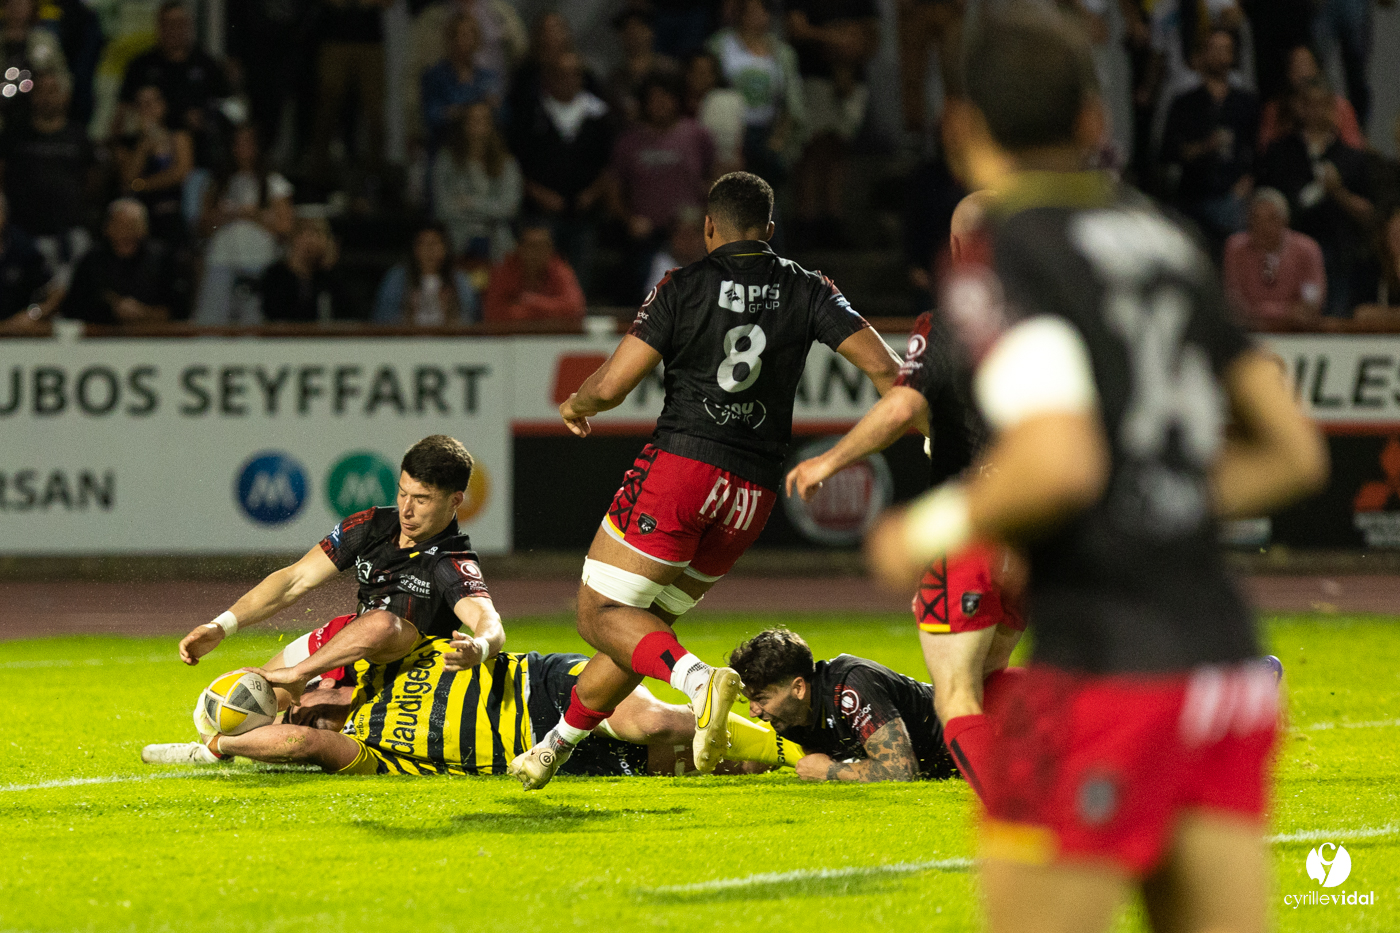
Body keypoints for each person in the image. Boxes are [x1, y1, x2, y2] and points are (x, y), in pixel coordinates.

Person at [865, 10, 1327, 933]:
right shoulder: (1162, 240)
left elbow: (1058, 460)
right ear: (1090, 120)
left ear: (960, 131)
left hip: (1102, 678)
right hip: (1221, 672)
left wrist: (930, 526)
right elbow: (1292, 450)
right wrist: (1156, 500)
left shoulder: (1006, 256)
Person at [507, 172, 902, 791]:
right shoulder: (807, 287)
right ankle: (555, 747)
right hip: (752, 496)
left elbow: (614, 384)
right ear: (770, 230)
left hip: (685, 471)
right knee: (643, 629)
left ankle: (698, 682)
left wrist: (578, 405)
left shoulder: (681, 286)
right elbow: (886, 370)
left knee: (599, 614)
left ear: (709, 228)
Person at [788, 189, 1022, 799]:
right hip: (1036, 524)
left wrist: (832, 459)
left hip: (971, 520)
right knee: (993, 676)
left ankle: (1014, 811)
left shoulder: (952, 319)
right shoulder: (1059, 313)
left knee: (955, 695)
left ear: (958, 247)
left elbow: (905, 403)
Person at [146, 613, 803, 776]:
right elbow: (298, 740)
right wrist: (225, 744)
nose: (310, 709)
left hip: (539, 682)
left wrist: (285, 676)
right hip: (536, 751)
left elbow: (378, 623)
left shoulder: (381, 661)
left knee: (652, 722)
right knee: (701, 764)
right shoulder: (369, 751)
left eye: (310, 695)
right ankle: (804, 744)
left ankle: (722, 701)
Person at [175, 436, 505, 712]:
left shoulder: (450, 559)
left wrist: (479, 647)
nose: (406, 509)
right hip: (343, 648)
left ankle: (298, 695)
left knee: (297, 732)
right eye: (403, 493)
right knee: (230, 707)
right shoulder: (371, 525)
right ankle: (219, 743)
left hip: (400, 678)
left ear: (455, 501)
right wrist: (220, 626)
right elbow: (294, 580)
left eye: (421, 499)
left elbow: (488, 621)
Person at [731, 627, 965, 782]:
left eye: (761, 699)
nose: (753, 712)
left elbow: (901, 770)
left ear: (798, 688)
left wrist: (828, 771)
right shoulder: (791, 719)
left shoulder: (851, 686)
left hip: (987, 733)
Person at [1257, 76, 1375, 318]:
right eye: (1310, 103)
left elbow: (1369, 213)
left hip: (1338, 254)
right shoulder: (1280, 152)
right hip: (1288, 256)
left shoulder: (1353, 157)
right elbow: (1263, 201)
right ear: (1300, 107)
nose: (1317, 110)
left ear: (1334, 108)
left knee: (1334, 320)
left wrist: (1338, 192)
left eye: (1324, 104)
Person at [507, 51, 613, 293]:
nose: (568, 80)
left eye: (574, 74)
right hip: (540, 212)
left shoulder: (597, 114)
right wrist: (538, 194)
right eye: (561, 74)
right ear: (549, 78)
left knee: (579, 277)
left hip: (584, 212)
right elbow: (516, 163)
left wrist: (593, 193)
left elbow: (609, 162)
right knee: (540, 275)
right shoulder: (531, 113)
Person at [608, 72, 714, 303]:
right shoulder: (629, 141)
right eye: (654, 99)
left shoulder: (696, 135)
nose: (660, 105)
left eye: (666, 98)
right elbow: (614, 190)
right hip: (646, 234)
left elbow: (714, 178)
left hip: (690, 232)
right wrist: (629, 220)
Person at [785, 0, 879, 246]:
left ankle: (832, 219)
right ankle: (805, 220)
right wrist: (839, 38)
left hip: (850, 81)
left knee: (838, 150)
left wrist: (847, 45)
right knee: (811, 149)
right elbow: (796, 29)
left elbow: (871, 34)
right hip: (813, 77)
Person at [1159, 28, 1259, 256]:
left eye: (1226, 50)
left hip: (1232, 197)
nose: (1220, 56)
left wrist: (1247, 182)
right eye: (1214, 49)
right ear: (1203, 55)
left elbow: (1257, 150)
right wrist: (1204, 147)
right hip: (1192, 196)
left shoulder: (1246, 103)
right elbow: (1167, 151)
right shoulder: (1185, 104)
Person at [0, 69, 95, 290]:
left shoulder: (78, 135)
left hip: (70, 233)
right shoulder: (15, 134)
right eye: (40, 91)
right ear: (32, 96)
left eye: (53, 91)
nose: (46, 97)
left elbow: (92, 180)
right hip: (24, 234)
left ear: (65, 96)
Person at [193, 124, 295, 326]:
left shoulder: (274, 184)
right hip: (221, 261)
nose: (242, 149)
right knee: (212, 325)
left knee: (253, 326)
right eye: (238, 143)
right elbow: (203, 228)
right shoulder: (217, 183)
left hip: (259, 263)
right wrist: (223, 217)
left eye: (248, 143)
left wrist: (252, 214)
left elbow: (285, 228)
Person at [115, 1, 227, 164]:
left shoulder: (206, 64)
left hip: (199, 155)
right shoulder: (141, 66)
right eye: (168, 23)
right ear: (159, 26)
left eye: (179, 23)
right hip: (150, 153)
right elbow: (122, 114)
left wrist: (206, 118)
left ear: (188, 26)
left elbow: (227, 105)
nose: (174, 30)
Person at [706, 0, 805, 186]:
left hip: (766, 134)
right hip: (728, 132)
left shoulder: (783, 53)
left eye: (764, 11)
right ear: (740, 14)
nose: (761, 16)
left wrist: (779, 138)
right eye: (754, 11)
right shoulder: (719, 45)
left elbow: (791, 99)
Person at [307, 0, 391, 178]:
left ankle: (376, 176)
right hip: (334, 38)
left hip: (370, 41)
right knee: (327, 106)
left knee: (375, 110)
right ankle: (318, 173)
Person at [432, 100, 521, 262]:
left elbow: (509, 207)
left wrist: (471, 203)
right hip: (457, 241)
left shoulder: (506, 163)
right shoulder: (446, 160)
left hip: (497, 242)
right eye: (473, 119)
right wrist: (490, 209)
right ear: (463, 124)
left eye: (483, 119)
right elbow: (442, 208)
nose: (478, 125)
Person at [59, 199, 173, 325]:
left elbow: (177, 310)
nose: (125, 233)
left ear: (144, 229)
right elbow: (72, 309)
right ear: (107, 228)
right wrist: (109, 310)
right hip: (101, 338)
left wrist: (144, 313)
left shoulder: (161, 259)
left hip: (153, 338)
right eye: (119, 225)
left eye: (132, 226)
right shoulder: (91, 260)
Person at [1222, 187, 1326, 326]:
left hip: (1296, 334)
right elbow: (1233, 300)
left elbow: (1312, 303)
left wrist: (1261, 312)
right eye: (1256, 219)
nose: (1263, 227)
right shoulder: (1235, 248)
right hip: (1249, 332)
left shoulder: (1307, 249)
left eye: (1272, 219)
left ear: (1285, 220)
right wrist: (1285, 312)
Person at [112, 84, 194, 248]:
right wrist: (144, 145)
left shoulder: (178, 137)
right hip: (139, 217)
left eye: (151, 102)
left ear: (163, 105)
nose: (147, 109)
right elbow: (126, 182)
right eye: (141, 104)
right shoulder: (127, 144)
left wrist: (140, 185)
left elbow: (180, 173)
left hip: (170, 213)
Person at [1257, 45, 1364, 153]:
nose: (1302, 72)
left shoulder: (1341, 108)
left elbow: (1355, 150)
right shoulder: (1274, 110)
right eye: (1296, 66)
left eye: (1306, 64)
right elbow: (1265, 151)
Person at [419, 13, 503, 150]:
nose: (464, 41)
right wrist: (458, 113)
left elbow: (504, 115)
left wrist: (494, 107)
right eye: (459, 35)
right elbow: (431, 117)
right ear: (450, 39)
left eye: (469, 35)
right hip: (447, 147)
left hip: (482, 150)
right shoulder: (435, 77)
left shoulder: (487, 77)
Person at [373, 223, 480, 325]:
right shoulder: (397, 278)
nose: (429, 250)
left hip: (448, 342)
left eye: (434, 243)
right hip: (406, 342)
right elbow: (381, 320)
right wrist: (409, 317)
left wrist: (449, 316)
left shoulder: (459, 279)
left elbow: (471, 321)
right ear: (414, 249)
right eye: (423, 244)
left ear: (445, 248)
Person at [481, 220, 585, 323]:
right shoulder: (504, 271)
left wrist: (532, 301)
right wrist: (547, 312)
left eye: (543, 246)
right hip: (512, 337)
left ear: (551, 249)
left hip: (551, 336)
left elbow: (575, 308)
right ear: (520, 248)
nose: (537, 252)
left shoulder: (560, 269)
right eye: (532, 246)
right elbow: (493, 312)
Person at [259, 217, 346, 323]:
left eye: (320, 235)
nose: (316, 241)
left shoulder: (325, 278)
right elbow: (273, 314)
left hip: (319, 338)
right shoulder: (275, 275)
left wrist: (330, 266)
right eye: (310, 234)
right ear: (295, 238)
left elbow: (344, 313)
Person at [606, 6, 679, 126]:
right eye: (627, 30)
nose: (633, 34)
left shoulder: (668, 68)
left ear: (650, 31)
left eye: (638, 28)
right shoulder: (616, 78)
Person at [681, 50, 744, 177]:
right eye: (697, 71)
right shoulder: (676, 106)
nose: (702, 77)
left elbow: (737, 151)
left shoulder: (728, 104)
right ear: (687, 73)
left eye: (707, 72)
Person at [0, 192, 57, 328]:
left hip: (17, 334)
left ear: (5, 215)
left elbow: (55, 292)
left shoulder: (21, 246)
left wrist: (33, 314)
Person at [642, 205, 707, 298]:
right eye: (682, 234)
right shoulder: (663, 262)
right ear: (672, 237)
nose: (688, 240)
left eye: (694, 234)